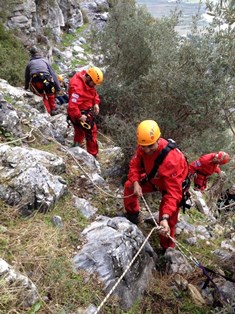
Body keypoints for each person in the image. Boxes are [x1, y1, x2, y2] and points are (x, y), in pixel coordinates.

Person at [123, 120, 189, 250]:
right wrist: (136, 182)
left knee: (167, 221)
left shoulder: (172, 160)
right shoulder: (144, 143)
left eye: (150, 146)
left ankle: (167, 248)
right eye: (143, 146)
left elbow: (174, 193)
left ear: (158, 139)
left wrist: (164, 217)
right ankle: (133, 214)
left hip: (172, 187)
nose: (146, 150)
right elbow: (135, 165)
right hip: (155, 180)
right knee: (129, 186)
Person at [67, 66, 103, 158]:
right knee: (91, 132)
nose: (94, 85)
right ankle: (92, 155)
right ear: (88, 77)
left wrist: (96, 103)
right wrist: (79, 116)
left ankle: (76, 147)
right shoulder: (77, 88)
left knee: (80, 132)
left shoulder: (87, 80)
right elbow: (72, 106)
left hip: (83, 111)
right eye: (93, 83)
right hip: (79, 113)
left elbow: (93, 93)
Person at [25, 46, 61, 115]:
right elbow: (53, 73)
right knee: (50, 95)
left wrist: (26, 88)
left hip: (36, 80)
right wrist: (58, 87)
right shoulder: (45, 61)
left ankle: (47, 112)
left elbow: (27, 77)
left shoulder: (29, 64)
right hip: (46, 78)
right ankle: (53, 110)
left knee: (42, 96)